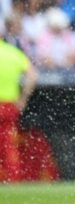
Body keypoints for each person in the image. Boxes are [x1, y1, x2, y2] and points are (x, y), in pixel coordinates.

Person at [0, 23, 38, 182]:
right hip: (9, 105)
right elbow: (33, 76)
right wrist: (23, 99)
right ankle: (13, 179)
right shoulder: (14, 53)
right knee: (9, 145)